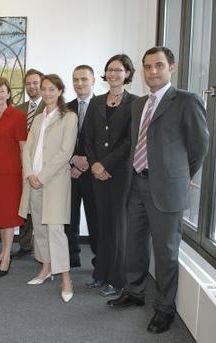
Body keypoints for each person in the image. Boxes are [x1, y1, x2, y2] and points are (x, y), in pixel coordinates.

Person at [107, 46, 209, 334]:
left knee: (165, 251)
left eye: (159, 66)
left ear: (171, 68)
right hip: (136, 184)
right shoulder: (139, 104)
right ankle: (135, 292)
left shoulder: (186, 101)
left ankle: (165, 309)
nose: (153, 71)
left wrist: (180, 175)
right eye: (148, 66)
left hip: (167, 189)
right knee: (135, 243)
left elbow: (199, 147)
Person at [19, 74, 77, 302]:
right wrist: (29, 174)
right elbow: (27, 148)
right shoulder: (38, 117)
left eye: (52, 89)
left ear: (60, 91)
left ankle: (65, 278)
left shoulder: (68, 117)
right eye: (44, 89)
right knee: (39, 228)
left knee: (55, 231)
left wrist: (41, 176)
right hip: (33, 180)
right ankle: (45, 268)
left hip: (54, 182)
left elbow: (65, 152)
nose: (47, 93)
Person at [84, 54, 138, 296]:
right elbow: (88, 137)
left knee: (118, 227)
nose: (113, 74)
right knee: (101, 224)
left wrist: (105, 164)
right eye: (110, 69)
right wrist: (95, 164)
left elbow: (130, 141)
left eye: (119, 69)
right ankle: (100, 274)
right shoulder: (96, 102)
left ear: (127, 73)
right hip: (98, 173)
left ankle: (117, 280)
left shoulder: (136, 103)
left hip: (119, 174)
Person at [0, 78, 27, 276]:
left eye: (2, 91)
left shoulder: (18, 116)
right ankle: (3, 251)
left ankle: (7, 255)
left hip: (10, 174)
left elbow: (23, 148)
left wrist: (26, 173)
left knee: (8, 216)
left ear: (8, 94)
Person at [12, 68, 46, 259]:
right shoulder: (19, 109)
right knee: (24, 205)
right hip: (22, 164)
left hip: (43, 165)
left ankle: (43, 249)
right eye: (29, 83)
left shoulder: (52, 106)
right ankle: (25, 245)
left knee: (41, 208)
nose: (32, 87)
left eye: (36, 83)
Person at [66, 65, 97, 268]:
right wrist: (72, 160)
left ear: (93, 81)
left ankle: (98, 260)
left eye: (84, 79)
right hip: (69, 173)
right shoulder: (66, 108)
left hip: (94, 173)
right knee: (69, 219)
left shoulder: (103, 105)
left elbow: (106, 141)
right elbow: (59, 141)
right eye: (76, 79)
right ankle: (72, 257)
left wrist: (86, 162)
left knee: (95, 219)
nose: (80, 83)